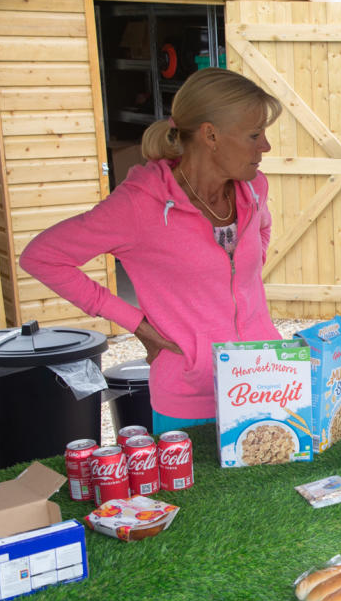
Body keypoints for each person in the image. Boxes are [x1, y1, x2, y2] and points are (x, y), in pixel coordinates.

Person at [21, 67, 284, 434]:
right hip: (190, 399)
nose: (265, 146)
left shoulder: (253, 188)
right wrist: (138, 325)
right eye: (255, 135)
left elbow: (264, 226)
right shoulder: (139, 206)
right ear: (210, 135)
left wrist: (243, 273)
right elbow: (42, 257)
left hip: (266, 383)